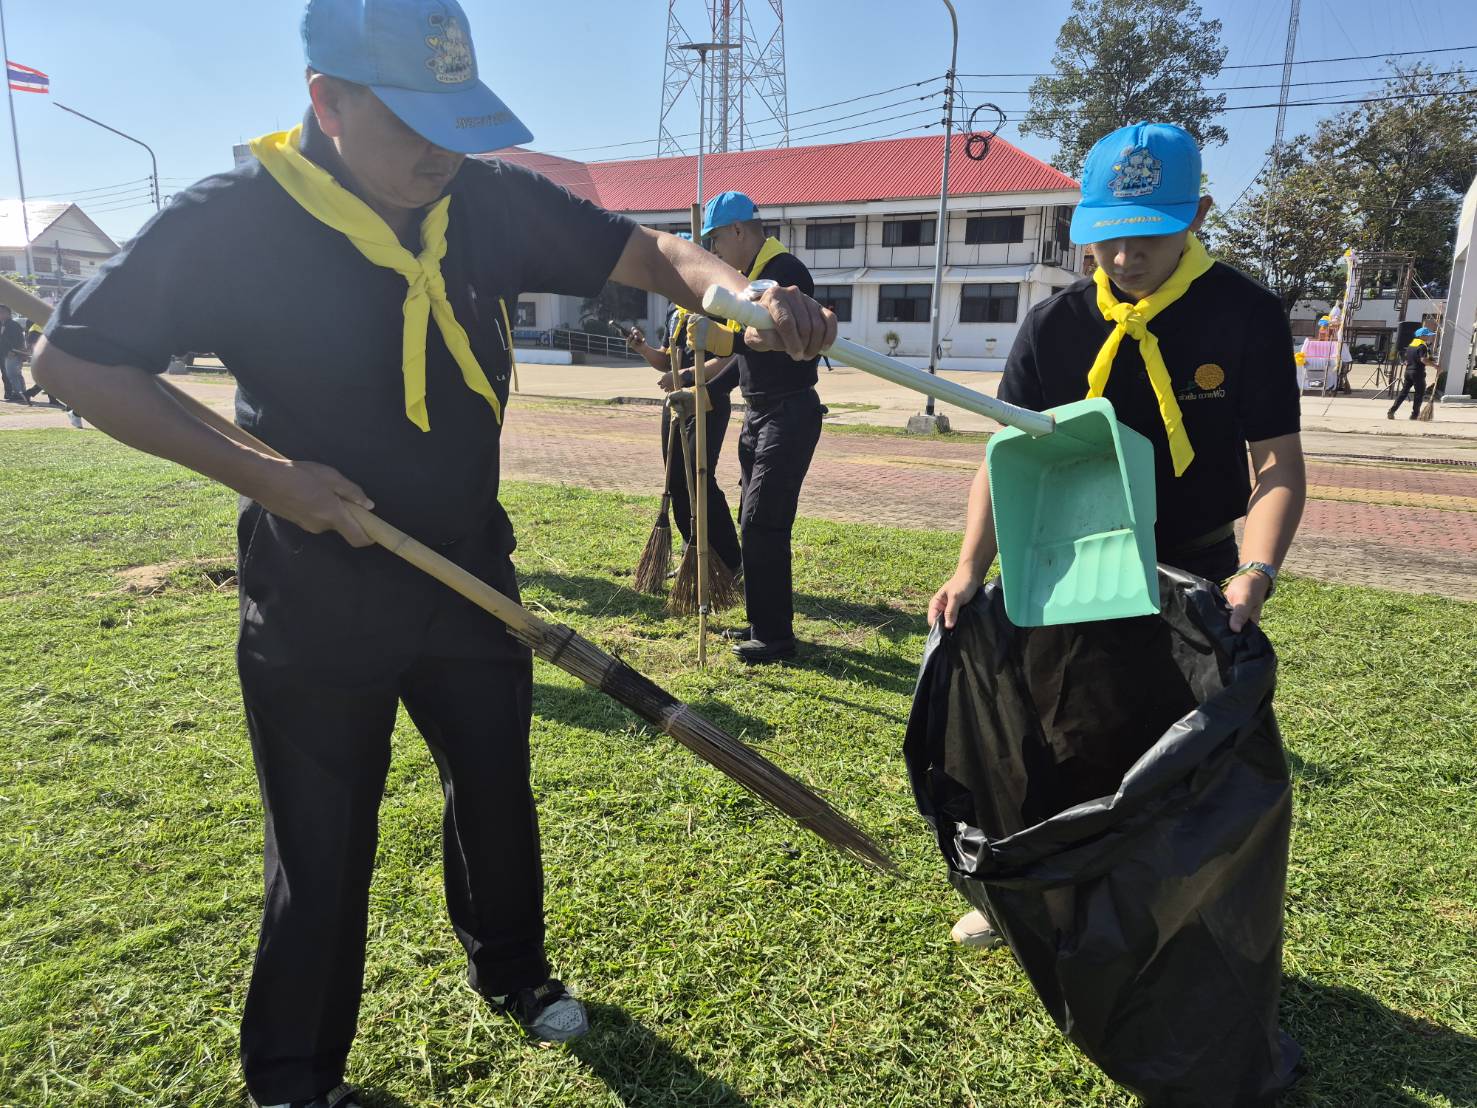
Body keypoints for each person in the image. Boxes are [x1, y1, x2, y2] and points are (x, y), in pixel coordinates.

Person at [31, 2, 835, 1105]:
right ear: (328, 101)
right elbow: (74, 362)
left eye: (454, 126)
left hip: (467, 561)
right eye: (412, 125)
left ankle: (511, 971)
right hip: (316, 579)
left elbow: (643, 248)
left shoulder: (480, 196)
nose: (437, 155)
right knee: (321, 837)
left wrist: (736, 297)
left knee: (496, 783)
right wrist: (274, 481)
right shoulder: (236, 220)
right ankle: (294, 1079)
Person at [927, 122, 1307, 950]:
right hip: (1071, 559)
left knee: (1176, 747)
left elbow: (1276, 464)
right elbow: (1004, 456)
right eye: (1106, 235)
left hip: (1192, 565)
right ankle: (1037, 892)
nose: (1123, 257)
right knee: (1063, 734)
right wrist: (966, 569)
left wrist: (1255, 570)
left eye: (1148, 235)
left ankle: (1167, 909)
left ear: (1197, 214)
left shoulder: (1243, 317)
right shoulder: (1055, 325)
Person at [700, 191, 824, 663]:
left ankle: (775, 638)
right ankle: (761, 623)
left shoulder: (786, 274)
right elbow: (742, 361)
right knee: (754, 522)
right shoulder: (751, 279)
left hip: (788, 414)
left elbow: (773, 343)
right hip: (759, 415)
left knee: (762, 523)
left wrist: (730, 338)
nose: (713, 253)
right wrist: (701, 383)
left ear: (737, 231)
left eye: (714, 241)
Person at [625, 252, 742, 575]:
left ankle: (730, 560)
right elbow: (667, 360)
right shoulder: (674, 309)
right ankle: (695, 555)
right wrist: (643, 349)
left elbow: (729, 357)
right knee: (677, 481)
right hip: (675, 404)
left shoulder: (719, 303)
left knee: (700, 480)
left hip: (707, 402)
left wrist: (687, 376)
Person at [1388, 326, 1435, 419]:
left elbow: (1405, 360)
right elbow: (1423, 360)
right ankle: (1414, 414)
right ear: (1422, 336)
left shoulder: (1411, 345)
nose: (1428, 337)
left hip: (1408, 372)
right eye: (1427, 335)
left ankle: (1392, 411)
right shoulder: (1422, 346)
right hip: (1418, 373)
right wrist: (1435, 366)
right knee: (1419, 393)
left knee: (1403, 393)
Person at [1, 305, 30, 404]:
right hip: (4, 353)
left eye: (2, 312)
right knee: (9, 375)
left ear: (8, 314)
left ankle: (20, 394)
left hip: (12, 353)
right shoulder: (2, 324)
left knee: (14, 374)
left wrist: (14, 351)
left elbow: (20, 340)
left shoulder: (13, 325)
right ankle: (16, 393)